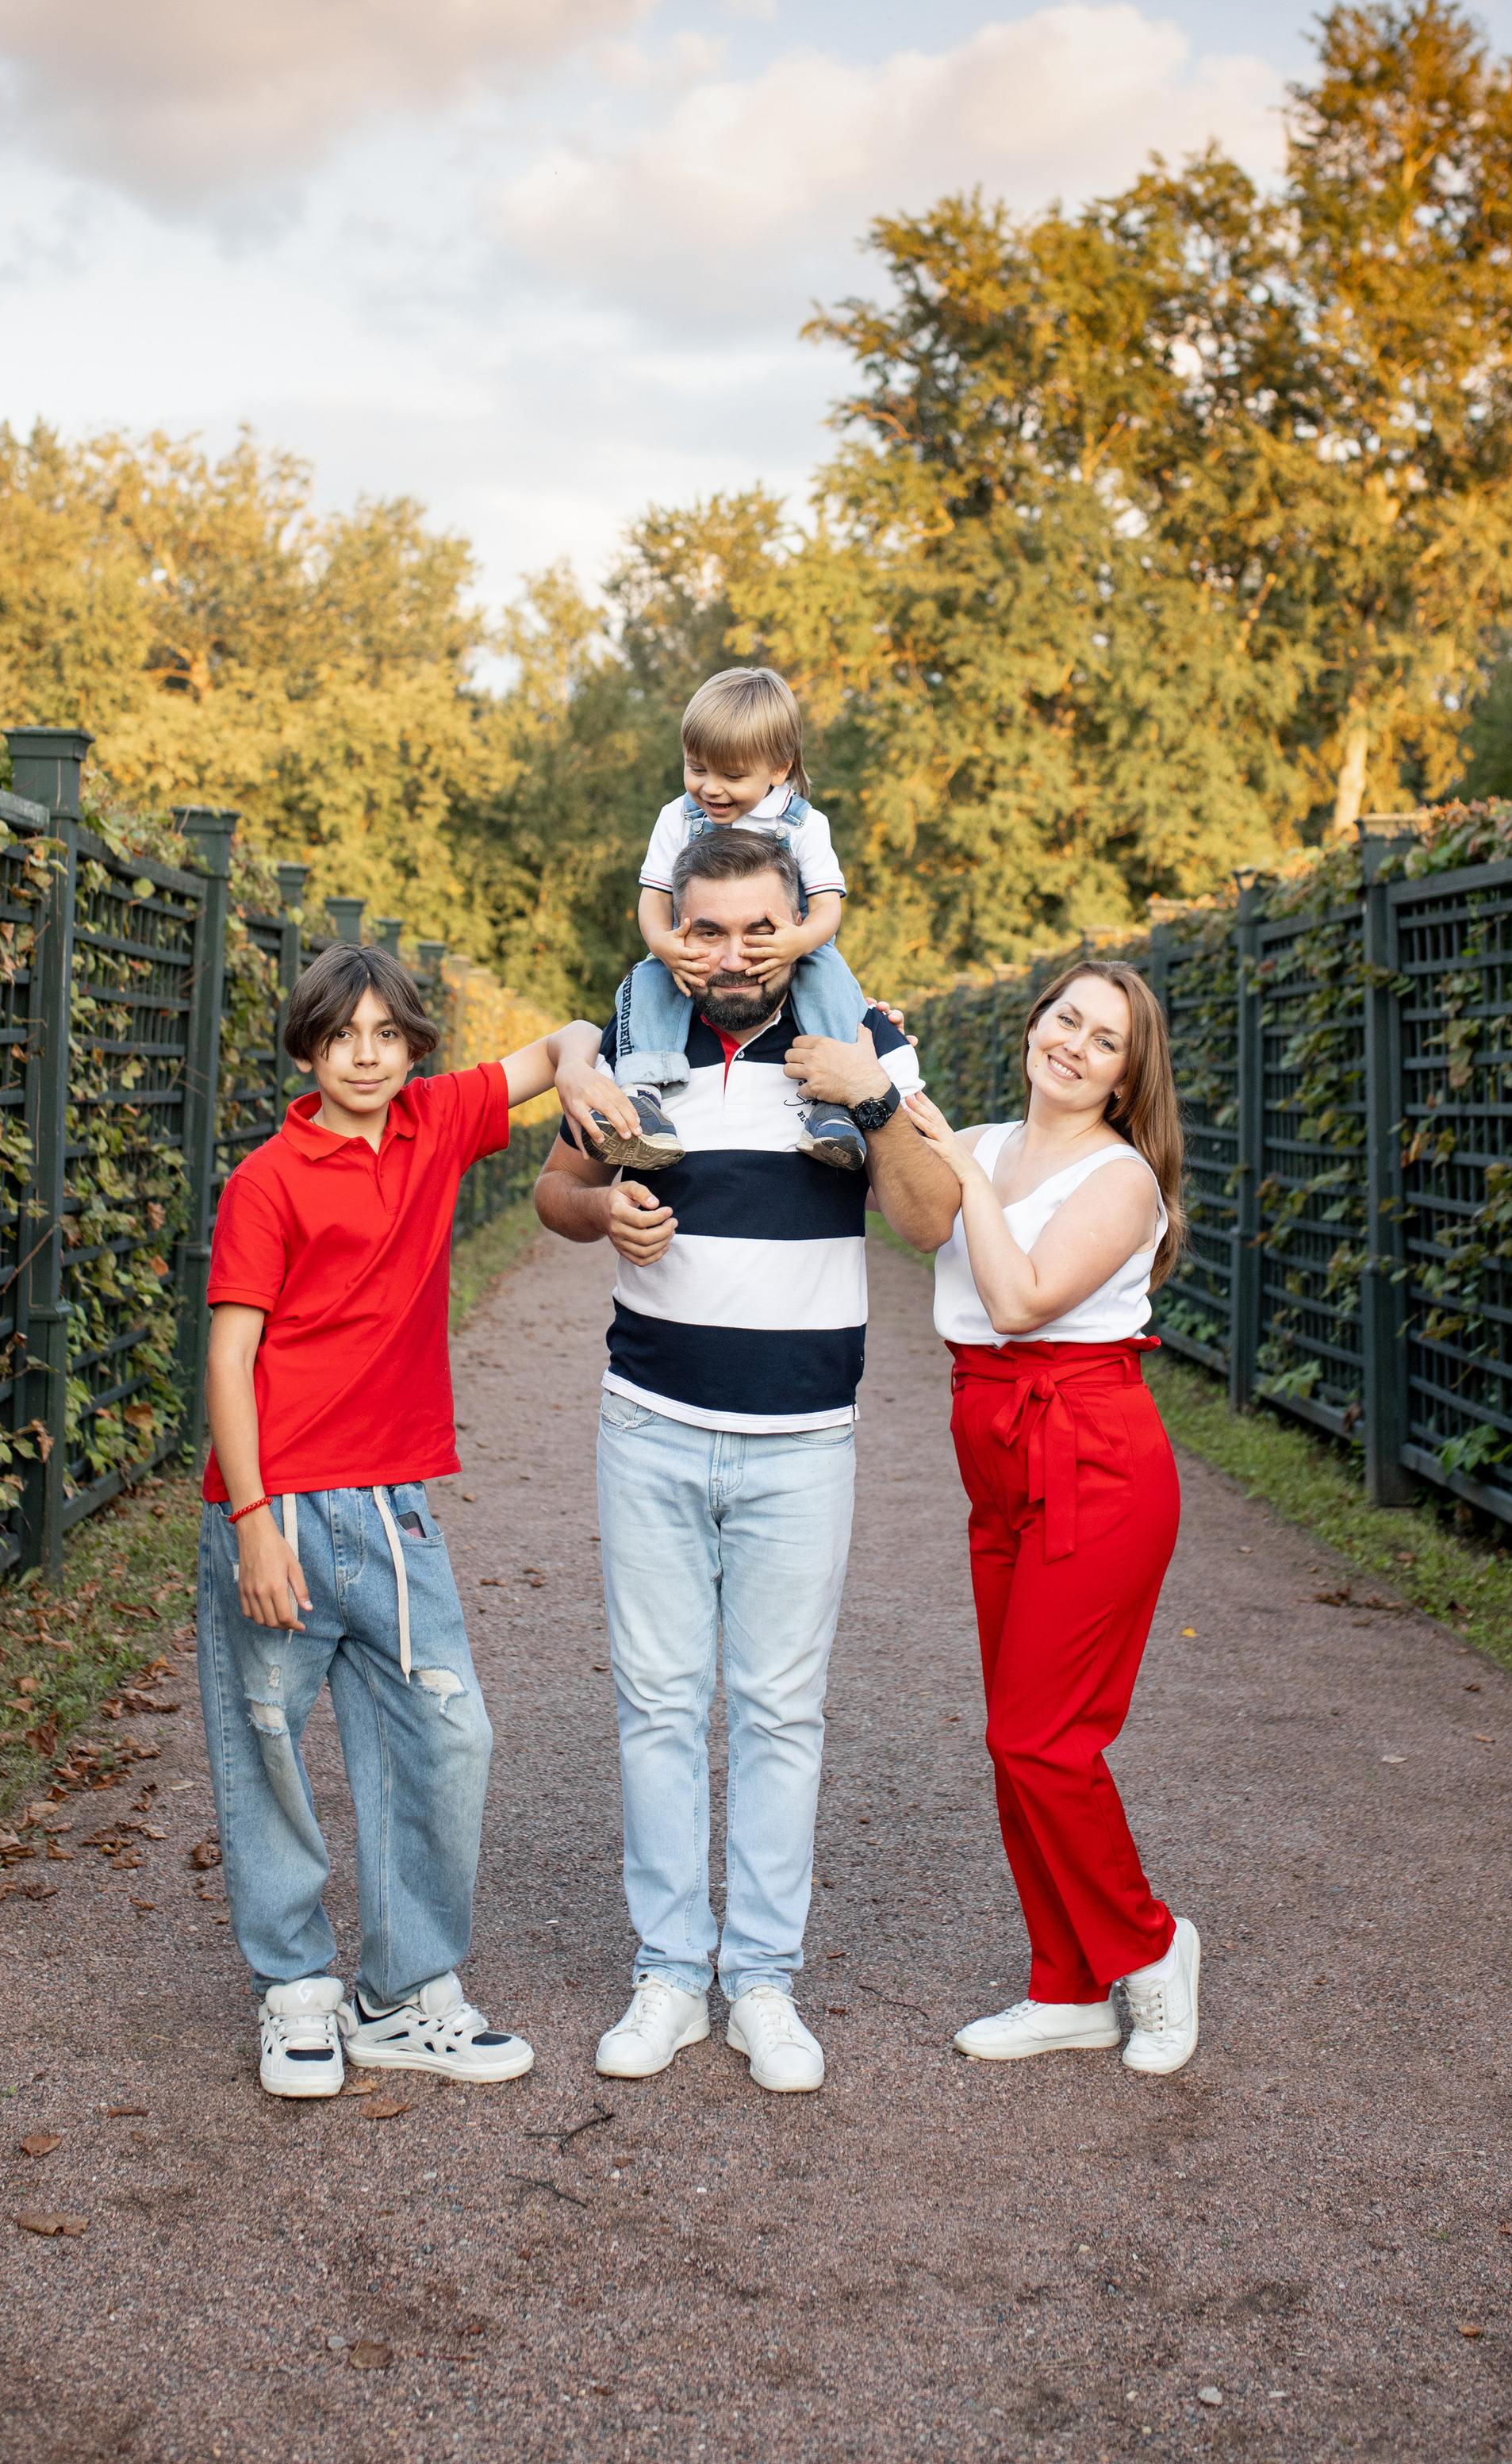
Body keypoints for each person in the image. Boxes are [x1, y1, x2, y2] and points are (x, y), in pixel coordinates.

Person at [535, 825, 957, 2094]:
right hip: (652, 1420)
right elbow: (558, 1193)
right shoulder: (630, 1041)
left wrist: (874, 1094)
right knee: (659, 1703)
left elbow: (931, 1221)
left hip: (801, 1439)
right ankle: (669, 1971)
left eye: (756, 927)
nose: (731, 952)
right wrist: (604, 1208)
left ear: (799, 924)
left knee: (780, 1711)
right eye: (705, 929)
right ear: (676, 929)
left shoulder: (862, 1041)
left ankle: (762, 1980)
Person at [200, 940, 635, 2100]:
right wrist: (250, 1522)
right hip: (280, 1502)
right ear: (308, 1047)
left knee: (447, 1735)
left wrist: (586, 1071)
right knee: (267, 1743)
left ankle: (402, 1993)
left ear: (413, 1048)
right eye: (344, 1036)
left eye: (389, 1035)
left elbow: (554, 1047)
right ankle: (295, 1989)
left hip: (393, 1507)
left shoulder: (436, 1125)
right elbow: (231, 1354)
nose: (367, 1056)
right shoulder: (267, 1181)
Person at [904, 961, 1201, 2077]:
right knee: (1015, 1741)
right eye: (1065, 1017)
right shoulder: (976, 1140)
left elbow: (1022, 1300)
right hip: (993, 1446)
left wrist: (962, 1171)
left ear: (1128, 1078)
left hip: (1094, 1454)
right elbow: (897, 1206)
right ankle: (1065, 1984)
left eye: (1106, 1038)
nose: (1074, 1042)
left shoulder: (1121, 1178)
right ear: (1034, 1023)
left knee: (1044, 1736)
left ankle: (1153, 1945)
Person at [608, 666, 874, 1170]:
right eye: (697, 768)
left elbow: (827, 908)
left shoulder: (802, 824)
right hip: (697, 943)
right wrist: (664, 945)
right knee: (647, 980)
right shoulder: (677, 816)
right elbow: (653, 897)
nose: (710, 789)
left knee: (832, 980)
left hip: (787, 942)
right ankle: (644, 1090)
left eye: (732, 776)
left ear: (779, 768)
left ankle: (832, 1107)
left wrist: (797, 943)